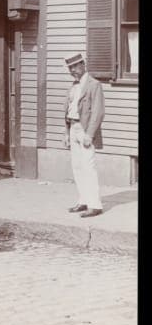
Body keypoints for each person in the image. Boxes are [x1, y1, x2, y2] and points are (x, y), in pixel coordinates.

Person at [63, 53, 105, 218]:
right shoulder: (73, 86)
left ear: (83, 64)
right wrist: (66, 132)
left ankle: (95, 205)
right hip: (73, 127)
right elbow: (69, 110)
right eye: (70, 68)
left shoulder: (94, 85)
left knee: (88, 167)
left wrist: (90, 134)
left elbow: (98, 112)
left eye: (75, 66)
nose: (73, 70)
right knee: (77, 167)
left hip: (85, 130)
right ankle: (83, 200)